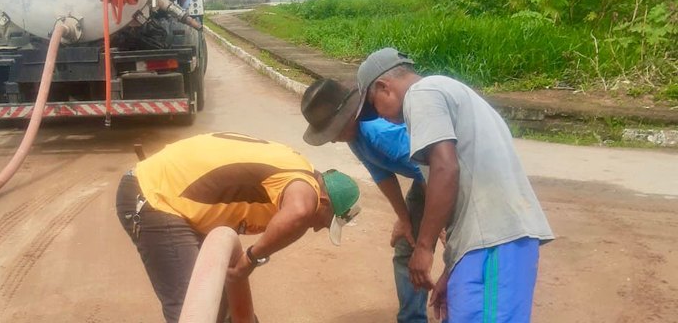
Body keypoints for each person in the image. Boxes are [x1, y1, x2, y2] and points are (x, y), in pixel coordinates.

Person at [357, 48, 554, 322]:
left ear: (383, 86)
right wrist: (452, 269)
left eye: (373, 105)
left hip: (494, 243)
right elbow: (467, 189)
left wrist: (423, 247)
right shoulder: (451, 95)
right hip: (483, 244)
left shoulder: (422, 94)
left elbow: (446, 168)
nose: (378, 115)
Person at [116, 132, 361, 323]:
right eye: (324, 222)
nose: (318, 229)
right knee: (194, 308)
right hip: (157, 197)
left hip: (174, 199)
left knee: (220, 302)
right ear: (324, 202)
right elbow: (300, 212)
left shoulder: (295, 170)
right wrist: (250, 260)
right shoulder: (304, 185)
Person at [301, 78, 431, 323]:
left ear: (348, 116)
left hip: (451, 176)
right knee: (408, 246)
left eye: (332, 130)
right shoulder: (353, 137)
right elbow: (383, 175)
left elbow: (433, 169)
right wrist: (404, 219)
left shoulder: (379, 131)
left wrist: (439, 223)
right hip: (425, 180)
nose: (330, 139)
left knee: (459, 247)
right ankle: (412, 319)